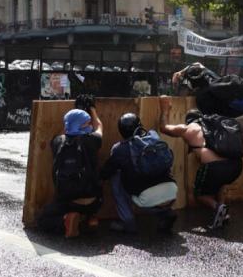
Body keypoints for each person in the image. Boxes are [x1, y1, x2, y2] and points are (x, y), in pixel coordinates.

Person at [157, 96, 243, 229]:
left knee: (200, 194)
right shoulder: (216, 125)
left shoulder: (189, 129)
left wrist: (165, 108)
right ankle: (223, 213)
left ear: (189, 120)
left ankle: (218, 207)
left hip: (215, 168)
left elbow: (164, 128)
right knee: (220, 184)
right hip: (236, 166)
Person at [99, 113, 178, 233]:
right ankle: (165, 213)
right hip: (171, 190)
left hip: (147, 198)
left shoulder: (119, 149)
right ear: (140, 126)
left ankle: (128, 223)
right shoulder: (154, 137)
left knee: (115, 176)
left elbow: (105, 173)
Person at [37, 101, 103, 238]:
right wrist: (92, 109)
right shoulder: (93, 140)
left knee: (43, 220)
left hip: (69, 201)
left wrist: (73, 114)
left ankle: (66, 219)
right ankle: (91, 217)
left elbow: (65, 132)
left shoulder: (58, 142)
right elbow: (99, 127)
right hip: (95, 200)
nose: (90, 125)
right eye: (87, 123)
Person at [172, 62, 243, 140]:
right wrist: (182, 71)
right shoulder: (209, 75)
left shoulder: (202, 98)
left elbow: (211, 121)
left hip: (242, 120)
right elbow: (198, 64)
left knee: (215, 140)